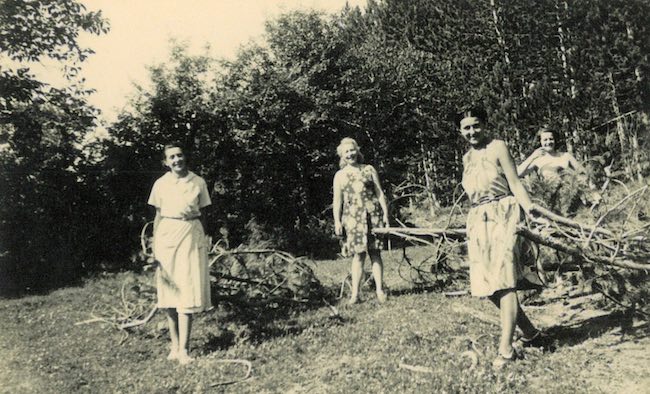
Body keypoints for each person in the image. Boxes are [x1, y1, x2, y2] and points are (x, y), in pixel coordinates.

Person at [456, 108, 544, 369]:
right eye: (466, 128)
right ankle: (530, 334)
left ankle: (505, 349)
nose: (472, 132)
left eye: (476, 125)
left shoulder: (498, 147)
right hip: (478, 218)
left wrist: (530, 209)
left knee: (505, 281)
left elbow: (515, 183)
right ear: (460, 131)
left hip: (504, 213)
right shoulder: (466, 158)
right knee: (488, 286)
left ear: (485, 125)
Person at [148, 143, 212, 364]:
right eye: (172, 157)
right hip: (166, 236)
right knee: (168, 291)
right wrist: (154, 243)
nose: (177, 160)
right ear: (166, 162)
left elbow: (204, 214)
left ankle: (184, 349)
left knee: (187, 288)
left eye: (180, 155)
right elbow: (158, 215)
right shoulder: (160, 184)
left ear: (186, 157)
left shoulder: (198, 182)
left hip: (190, 234)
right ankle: (174, 346)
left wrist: (204, 237)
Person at [332, 137, 389, 304]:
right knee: (358, 255)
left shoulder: (368, 169)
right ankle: (355, 294)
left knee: (375, 253)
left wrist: (385, 214)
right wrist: (336, 221)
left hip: (373, 216)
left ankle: (379, 291)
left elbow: (379, 193)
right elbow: (337, 201)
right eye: (346, 152)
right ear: (342, 155)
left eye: (352, 150)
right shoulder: (340, 175)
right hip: (353, 219)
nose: (350, 154)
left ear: (357, 151)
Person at [517, 127, 586, 180]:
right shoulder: (537, 160)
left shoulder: (566, 156)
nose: (548, 142)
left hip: (569, 193)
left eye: (551, 139)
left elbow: (583, 173)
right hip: (549, 195)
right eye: (545, 140)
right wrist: (532, 156)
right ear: (540, 142)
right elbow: (518, 173)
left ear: (555, 140)